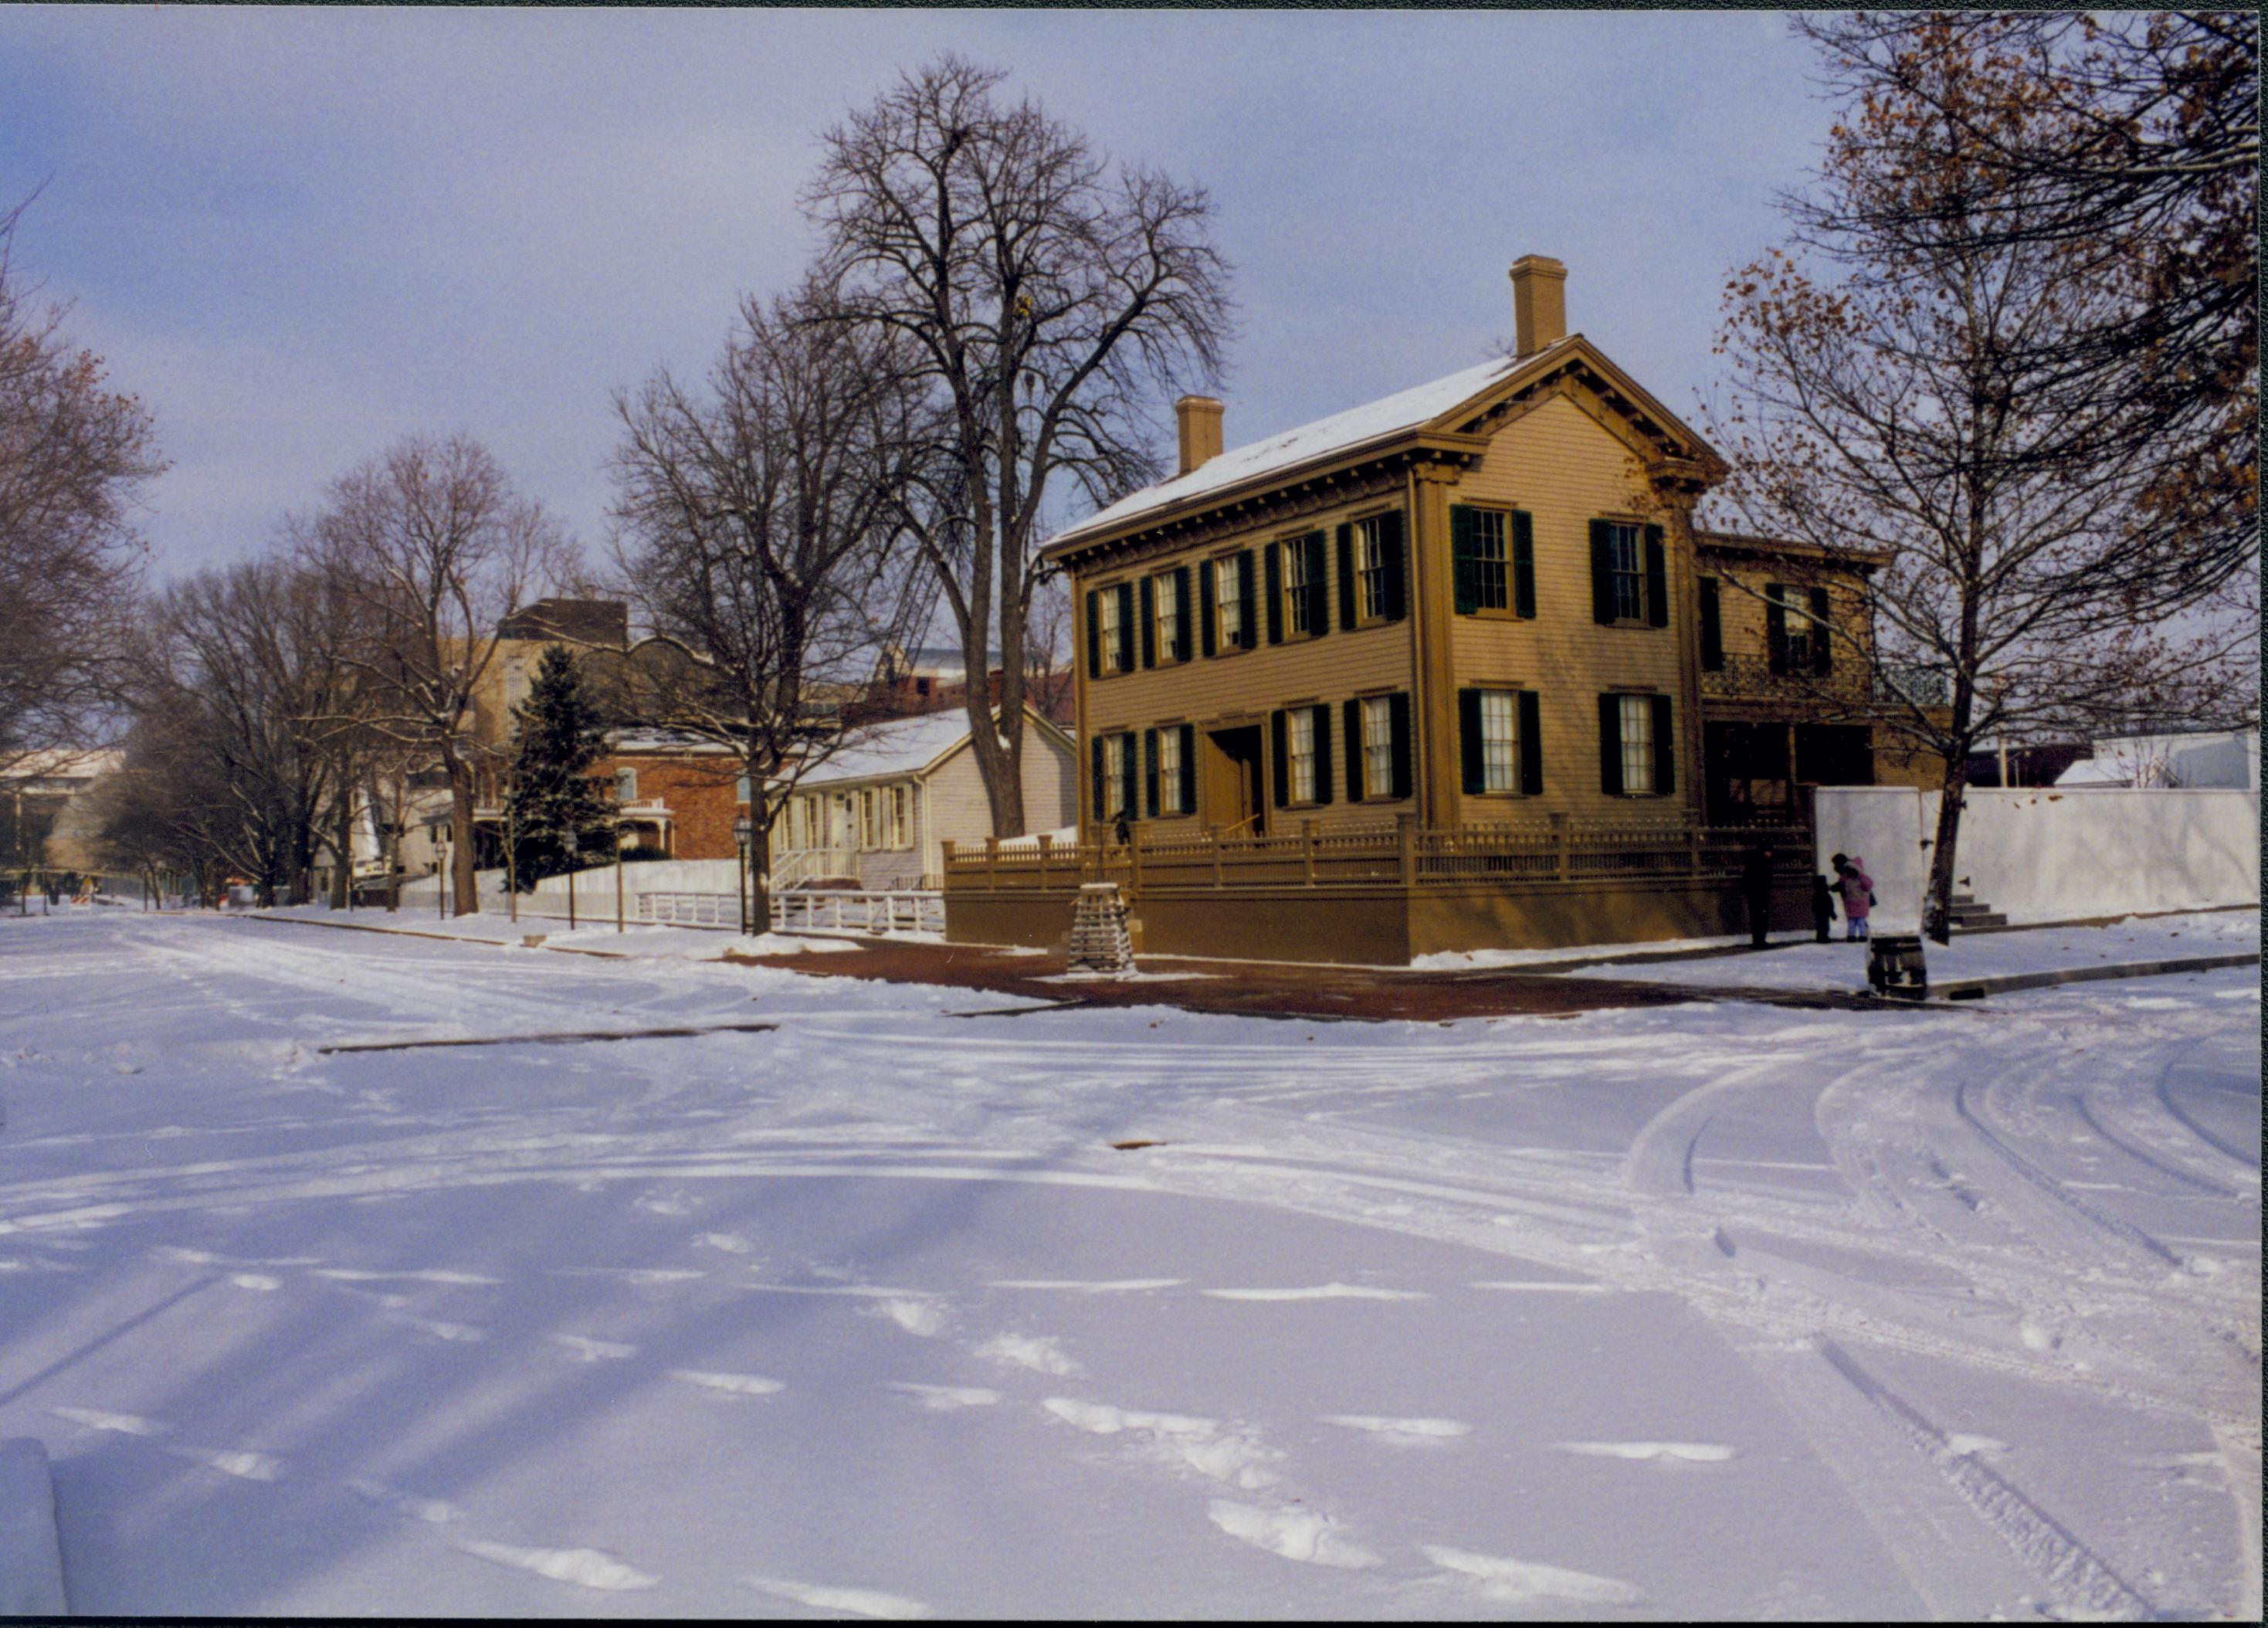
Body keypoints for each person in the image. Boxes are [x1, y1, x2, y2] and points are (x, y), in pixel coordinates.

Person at [1833, 853, 1874, 941]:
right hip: (1852, 902)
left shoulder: (1859, 878)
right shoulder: (1847, 878)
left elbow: (1868, 885)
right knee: (1853, 922)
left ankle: (1861, 935)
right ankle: (1854, 936)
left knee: (1859, 921)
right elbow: (1841, 884)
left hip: (1859, 902)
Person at [1740, 844, 1775, 948]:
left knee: (1755, 918)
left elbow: (1746, 878)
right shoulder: (1764, 862)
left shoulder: (1753, 861)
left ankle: (1757, 940)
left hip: (1753, 894)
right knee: (1762, 918)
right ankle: (1761, 941)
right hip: (1761, 894)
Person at [1811, 873, 1838, 943]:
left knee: (1820, 925)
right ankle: (1824, 937)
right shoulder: (1826, 895)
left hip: (1818, 913)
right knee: (1825, 926)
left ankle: (1820, 937)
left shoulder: (1816, 895)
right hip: (1825, 914)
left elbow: (1814, 904)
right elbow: (1830, 905)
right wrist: (1832, 914)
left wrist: (1814, 910)